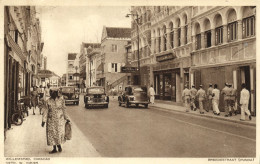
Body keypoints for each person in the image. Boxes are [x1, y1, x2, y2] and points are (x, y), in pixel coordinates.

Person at [41, 88, 70, 154]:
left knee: (58, 133)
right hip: (51, 120)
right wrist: (43, 120)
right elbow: (45, 111)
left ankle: (59, 146)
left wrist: (66, 118)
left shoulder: (61, 100)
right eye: (51, 93)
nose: (52, 94)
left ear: (56, 93)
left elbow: (64, 109)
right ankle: (54, 148)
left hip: (59, 120)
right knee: (51, 134)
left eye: (54, 93)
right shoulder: (48, 101)